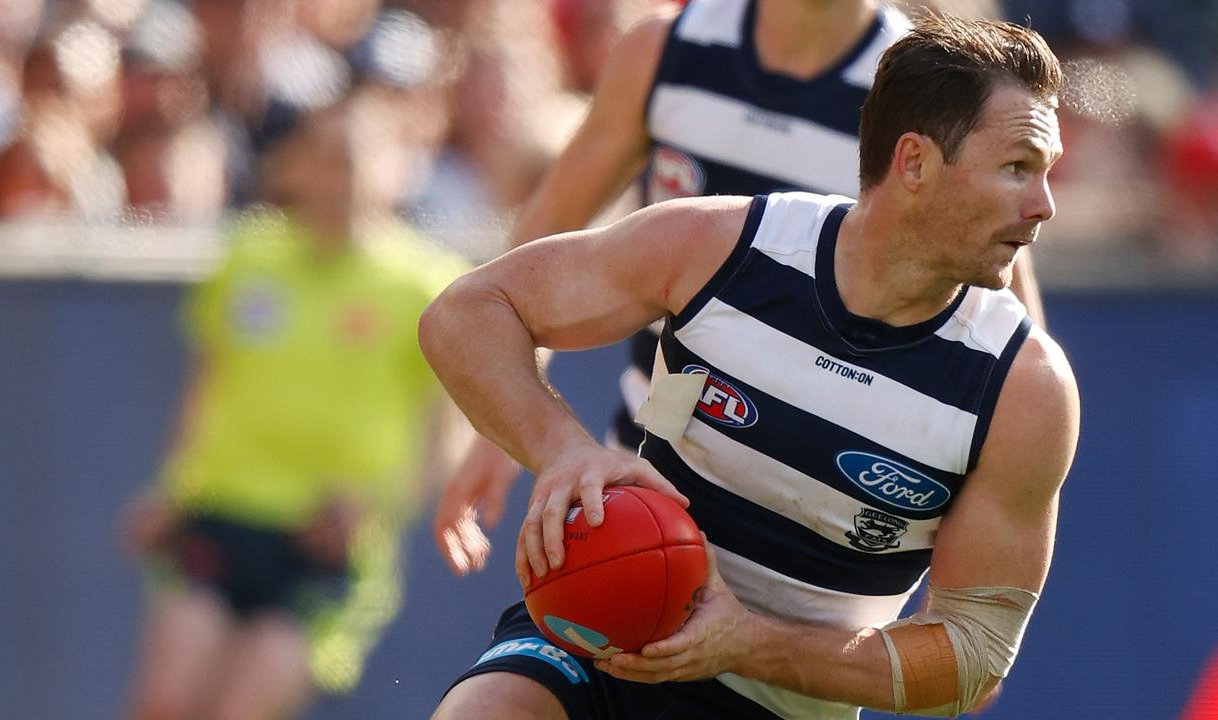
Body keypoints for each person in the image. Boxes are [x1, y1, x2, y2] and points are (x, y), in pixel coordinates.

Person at [420, 13, 1078, 720]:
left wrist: (747, 644)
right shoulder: (720, 242)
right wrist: (560, 450)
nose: (1043, 207)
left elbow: (974, 664)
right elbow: (466, 310)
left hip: (784, 702)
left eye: (1044, 172)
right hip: (603, 630)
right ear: (913, 161)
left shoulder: (1024, 387)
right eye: (1018, 169)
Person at [120, 96, 469, 720]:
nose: (341, 176)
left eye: (356, 160)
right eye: (327, 158)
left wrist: (376, 505)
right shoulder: (249, 257)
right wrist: (171, 489)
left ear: (396, 170)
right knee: (164, 704)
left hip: (325, 543)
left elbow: (450, 435)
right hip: (221, 514)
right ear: (298, 167)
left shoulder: (426, 283)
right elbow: (208, 385)